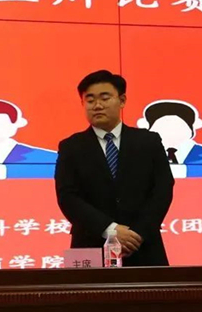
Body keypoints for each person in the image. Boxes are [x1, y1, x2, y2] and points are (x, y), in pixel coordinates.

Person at [54, 70, 174, 266]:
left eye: (105, 98)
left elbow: (163, 189)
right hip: (90, 245)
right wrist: (110, 230)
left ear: (122, 100)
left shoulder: (148, 141)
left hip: (143, 245)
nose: (97, 105)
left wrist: (137, 234)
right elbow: (68, 196)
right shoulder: (71, 147)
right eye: (90, 100)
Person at [137, 99, 202, 178]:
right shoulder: (135, 158)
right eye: (163, 125)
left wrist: (183, 172)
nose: (171, 130)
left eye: (178, 125)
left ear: (191, 129)